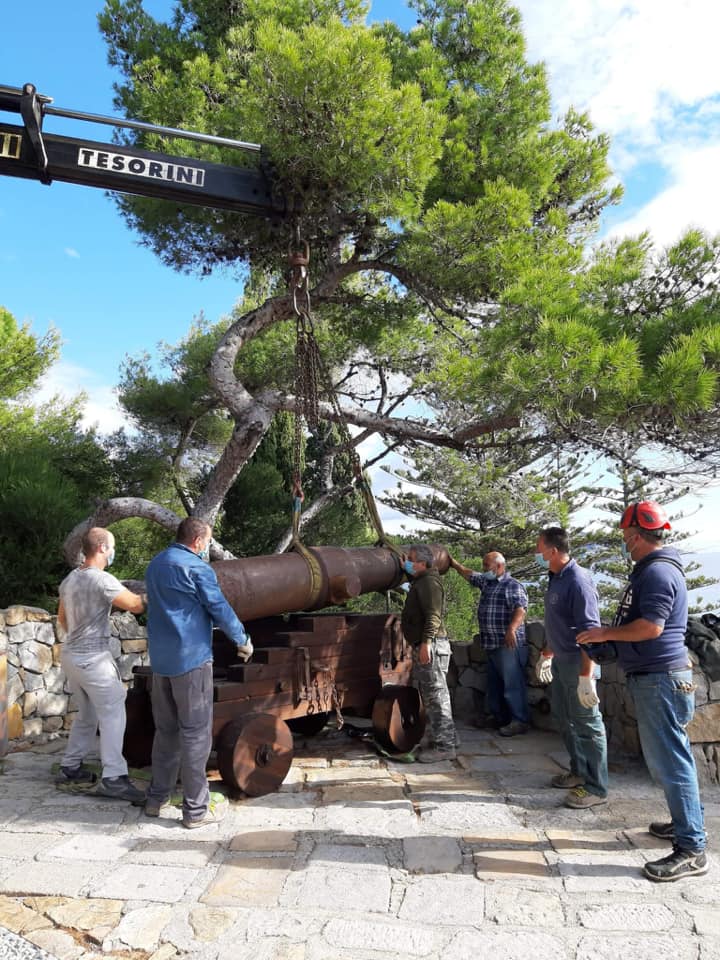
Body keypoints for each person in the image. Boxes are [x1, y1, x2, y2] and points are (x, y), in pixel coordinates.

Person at [578, 501, 707, 882]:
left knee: (671, 761)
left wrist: (605, 634)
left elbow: (651, 627)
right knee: (669, 760)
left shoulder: (657, 574)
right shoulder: (653, 571)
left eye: (625, 537)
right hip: (658, 677)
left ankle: (692, 849)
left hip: (661, 679)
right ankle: (684, 821)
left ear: (636, 536)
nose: (624, 543)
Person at [144, 518, 253, 828]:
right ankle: (195, 811)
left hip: (161, 662)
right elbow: (218, 607)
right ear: (198, 541)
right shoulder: (197, 568)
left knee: (165, 732)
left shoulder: (156, 564)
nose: (207, 547)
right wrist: (242, 639)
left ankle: (157, 798)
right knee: (195, 734)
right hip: (191, 659)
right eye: (207, 542)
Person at [57, 527, 146, 803]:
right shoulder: (102, 580)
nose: (113, 552)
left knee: (87, 714)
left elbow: (62, 618)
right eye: (113, 547)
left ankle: (70, 767)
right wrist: (155, 592)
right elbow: (135, 605)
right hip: (93, 659)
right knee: (113, 711)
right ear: (103, 548)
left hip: (71, 655)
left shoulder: (69, 580)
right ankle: (114, 778)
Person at [535, 526, 608, 809]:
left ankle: (597, 787)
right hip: (562, 662)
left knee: (588, 724)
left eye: (539, 548)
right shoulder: (556, 578)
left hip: (580, 665)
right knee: (566, 720)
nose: (536, 553)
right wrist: (547, 653)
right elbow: (562, 623)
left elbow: (590, 630)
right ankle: (579, 773)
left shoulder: (578, 581)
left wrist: (586, 675)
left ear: (553, 551)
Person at [449, 551, 529, 736]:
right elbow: (470, 574)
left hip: (507, 644)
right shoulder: (488, 582)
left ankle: (520, 720)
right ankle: (497, 717)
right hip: (491, 643)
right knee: (494, 685)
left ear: (500, 567)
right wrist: (454, 564)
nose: (484, 569)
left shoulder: (512, 586)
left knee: (512, 684)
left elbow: (520, 609)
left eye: (487, 566)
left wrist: (511, 630)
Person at [400, 543, 457, 763]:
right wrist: (404, 564)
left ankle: (445, 747)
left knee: (437, 697)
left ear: (423, 564)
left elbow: (434, 615)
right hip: (429, 644)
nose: (408, 562)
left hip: (431, 646)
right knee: (434, 696)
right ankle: (444, 738)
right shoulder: (422, 580)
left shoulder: (429, 583)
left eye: (411, 559)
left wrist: (426, 642)